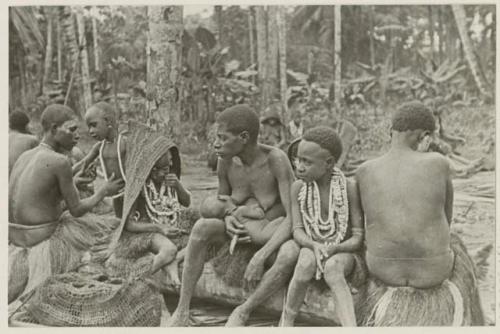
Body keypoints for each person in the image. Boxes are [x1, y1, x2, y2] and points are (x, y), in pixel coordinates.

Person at [354, 101, 485, 326]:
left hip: (383, 270)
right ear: (425, 136)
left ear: (390, 132)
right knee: (456, 242)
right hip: (432, 273)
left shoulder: (364, 170)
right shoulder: (439, 163)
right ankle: (479, 322)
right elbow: (447, 218)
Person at [168, 104, 299, 327]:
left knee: (289, 253)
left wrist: (260, 256)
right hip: (239, 231)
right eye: (216, 138)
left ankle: (244, 310)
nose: (216, 144)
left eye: (222, 138)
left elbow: (293, 217)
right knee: (202, 226)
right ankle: (182, 308)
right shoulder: (225, 160)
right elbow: (223, 200)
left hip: (271, 234)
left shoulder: (275, 160)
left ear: (244, 137)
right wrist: (229, 218)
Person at [8, 104, 122, 303]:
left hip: (14, 237)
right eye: (71, 129)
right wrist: (104, 190)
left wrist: (75, 178)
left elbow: (39, 194)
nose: (77, 135)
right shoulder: (59, 161)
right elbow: (76, 210)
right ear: (53, 129)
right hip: (38, 240)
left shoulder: (26, 156)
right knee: (108, 228)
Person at [280, 127, 365, 327]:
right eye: (298, 160)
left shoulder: (348, 187)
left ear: (329, 164)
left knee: (333, 268)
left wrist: (335, 248)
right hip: (312, 246)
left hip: (343, 253)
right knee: (304, 263)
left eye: (306, 162)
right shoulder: (298, 188)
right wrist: (314, 245)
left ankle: (350, 327)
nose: (299, 167)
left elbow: (358, 237)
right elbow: (297, 230)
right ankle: (286, 321)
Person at [105, 120, 197, 289]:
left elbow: (186, 202)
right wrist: (158, 228)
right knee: (169, 250)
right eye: (163, 170)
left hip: (169, 225)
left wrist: (178, 186)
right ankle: (135, 281)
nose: (168, 171)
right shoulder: (138, 186)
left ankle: (173, 265)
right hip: (145, 232)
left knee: (199, 237)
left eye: (170, 166)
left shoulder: (169, 180)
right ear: (151, 169)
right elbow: (129, 224)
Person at [76, 102, 127, 217]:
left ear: (108, 121)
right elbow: (83, 162)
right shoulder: (100, 146)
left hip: (130, 192)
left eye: (94, 125)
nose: (91, 131)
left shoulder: (124, 142)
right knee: (119, 221)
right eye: (89, 127)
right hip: (115, 194)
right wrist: (69, 173)